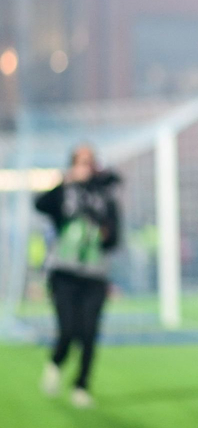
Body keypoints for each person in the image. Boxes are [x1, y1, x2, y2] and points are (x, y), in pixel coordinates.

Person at [36, 145, 121, 408]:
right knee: (68, 330)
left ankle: (81, 386)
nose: (86, 166)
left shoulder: (106, 197)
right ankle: (56, 362)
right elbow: (40, 204)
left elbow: (115, 238)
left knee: (89, 333)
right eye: (80, 161)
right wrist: (66, 181)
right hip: (64, 273)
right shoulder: (64, 192)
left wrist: (106, 234)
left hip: (95, 275)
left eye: (89, 161)